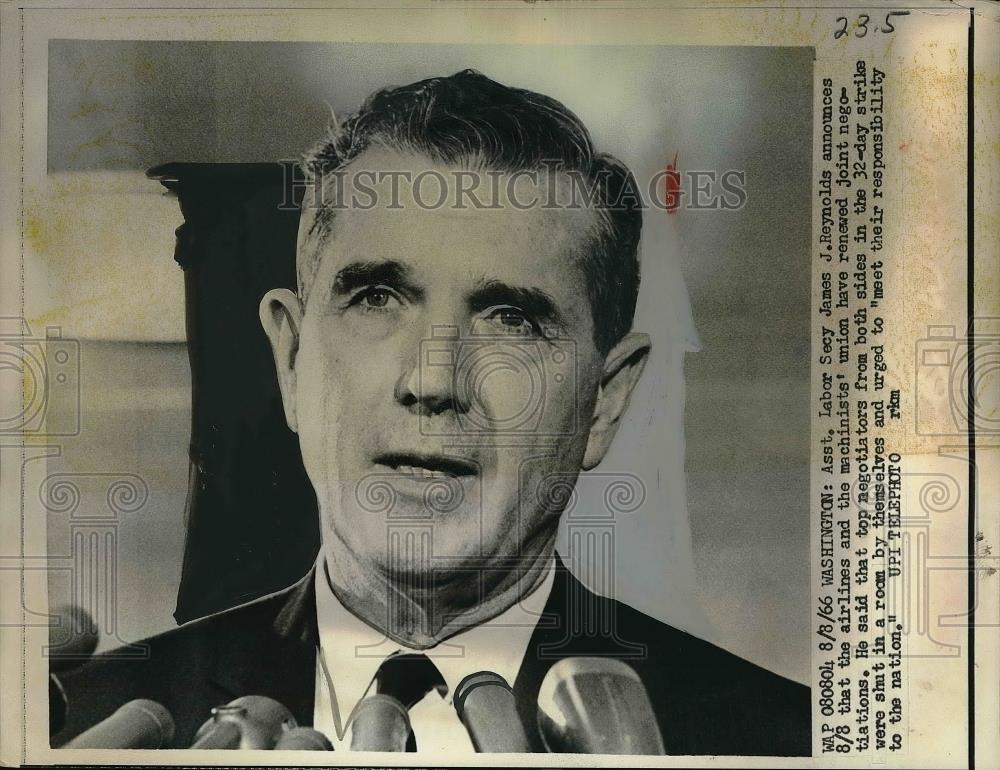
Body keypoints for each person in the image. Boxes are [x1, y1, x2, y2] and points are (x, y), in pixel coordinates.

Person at [54, 70, 809, 755]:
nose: (433, 379)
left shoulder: (788, 743)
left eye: (512, 318)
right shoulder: (79, 726)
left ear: (605, 400)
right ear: (290, 359)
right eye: (377, 298)